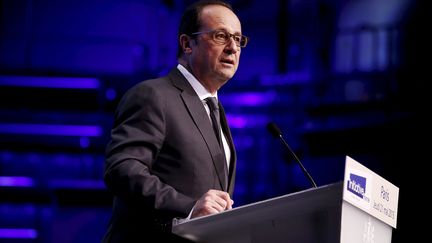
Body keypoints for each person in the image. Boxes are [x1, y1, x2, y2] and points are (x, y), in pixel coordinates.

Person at [102, 0, 249, 242]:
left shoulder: (214, 109)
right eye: (221, 36)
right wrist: (189, 208)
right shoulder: (153, 95)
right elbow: (122, 169)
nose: (233, 48)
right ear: (187, 43)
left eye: (238, 39)